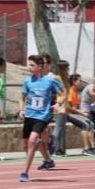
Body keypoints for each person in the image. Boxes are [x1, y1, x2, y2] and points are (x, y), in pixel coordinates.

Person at [18, 54, 63, 182]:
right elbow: (22, 98)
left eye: (32, 65)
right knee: (26, 145)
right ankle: (45, 153)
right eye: (29, 65)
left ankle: (24, 173)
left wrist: (58, 103)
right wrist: (21, 110)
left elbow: (63, 92)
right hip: (29, 115)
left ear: (40, 67)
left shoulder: (49, 81)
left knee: (32, 140)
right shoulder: (27, 81)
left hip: (42, 116)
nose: (29, 67)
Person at [64, 73, 95, 154]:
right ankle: (86, 149)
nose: (81, 82)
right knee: (85, 125)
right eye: (79, 80)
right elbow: (69, 108)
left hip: (75, 114)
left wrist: (81, 113)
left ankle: (92, 148)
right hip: (68, 114)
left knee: (91, 124)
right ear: (74, 81)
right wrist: (82, 113)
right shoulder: (70, 91)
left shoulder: (76, 92)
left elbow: (75, 108)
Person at [49, 59, 72, 156]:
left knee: (62, 129)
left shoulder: (65, 78)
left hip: (65, 106)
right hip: (60, 106)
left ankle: (60, 150)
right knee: (58, 129)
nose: (68, 70)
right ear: (62, 69)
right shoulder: (57, 78)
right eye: (66, 68)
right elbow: (59, 93)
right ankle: (52, 149)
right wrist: (60, 105)